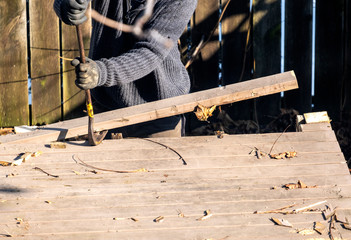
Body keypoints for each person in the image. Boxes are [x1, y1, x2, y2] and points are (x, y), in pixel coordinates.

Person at [53, 0, 197, 138]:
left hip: (160, 112)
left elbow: (151, 51)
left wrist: (101, 72)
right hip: (107, 110)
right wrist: (67, 6)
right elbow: (66, 3)